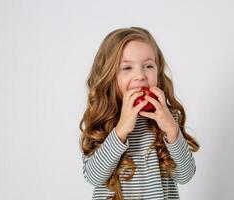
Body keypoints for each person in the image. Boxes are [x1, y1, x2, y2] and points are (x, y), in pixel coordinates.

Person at [79, 26, 200, 200]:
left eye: (148, 66)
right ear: (109, 76)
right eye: (127, 68)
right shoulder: (103, 120)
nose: (140, 75)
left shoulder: (167, 118)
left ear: (158, 71)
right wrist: (121, 130)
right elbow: (93, 176)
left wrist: (172, 131)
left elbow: (185, 176)